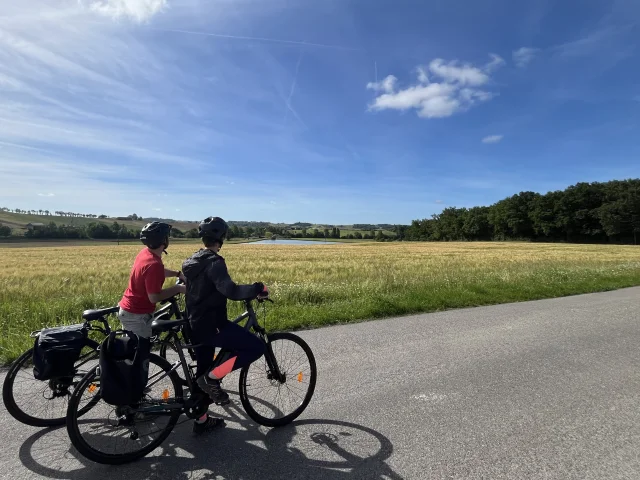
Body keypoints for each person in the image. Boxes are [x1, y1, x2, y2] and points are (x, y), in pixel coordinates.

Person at [181, 216, 268, 420]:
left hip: (194, 323)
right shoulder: (215, 262)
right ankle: (213, 378)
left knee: (202, 371)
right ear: (222, 237)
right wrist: (257, 288)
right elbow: (230, 290)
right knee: (257, 347)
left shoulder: (192, 260)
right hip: (212, 326)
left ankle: (201, 420)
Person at [117, 221, 186, 339]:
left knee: (130, 353)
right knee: (139, 354)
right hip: (137, 316)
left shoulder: (146, 253)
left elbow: (154, 273)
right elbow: (154, 297)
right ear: (163, 241)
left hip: (130, 310)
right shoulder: (154, 264)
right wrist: (178, 288)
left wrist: (177, 274)